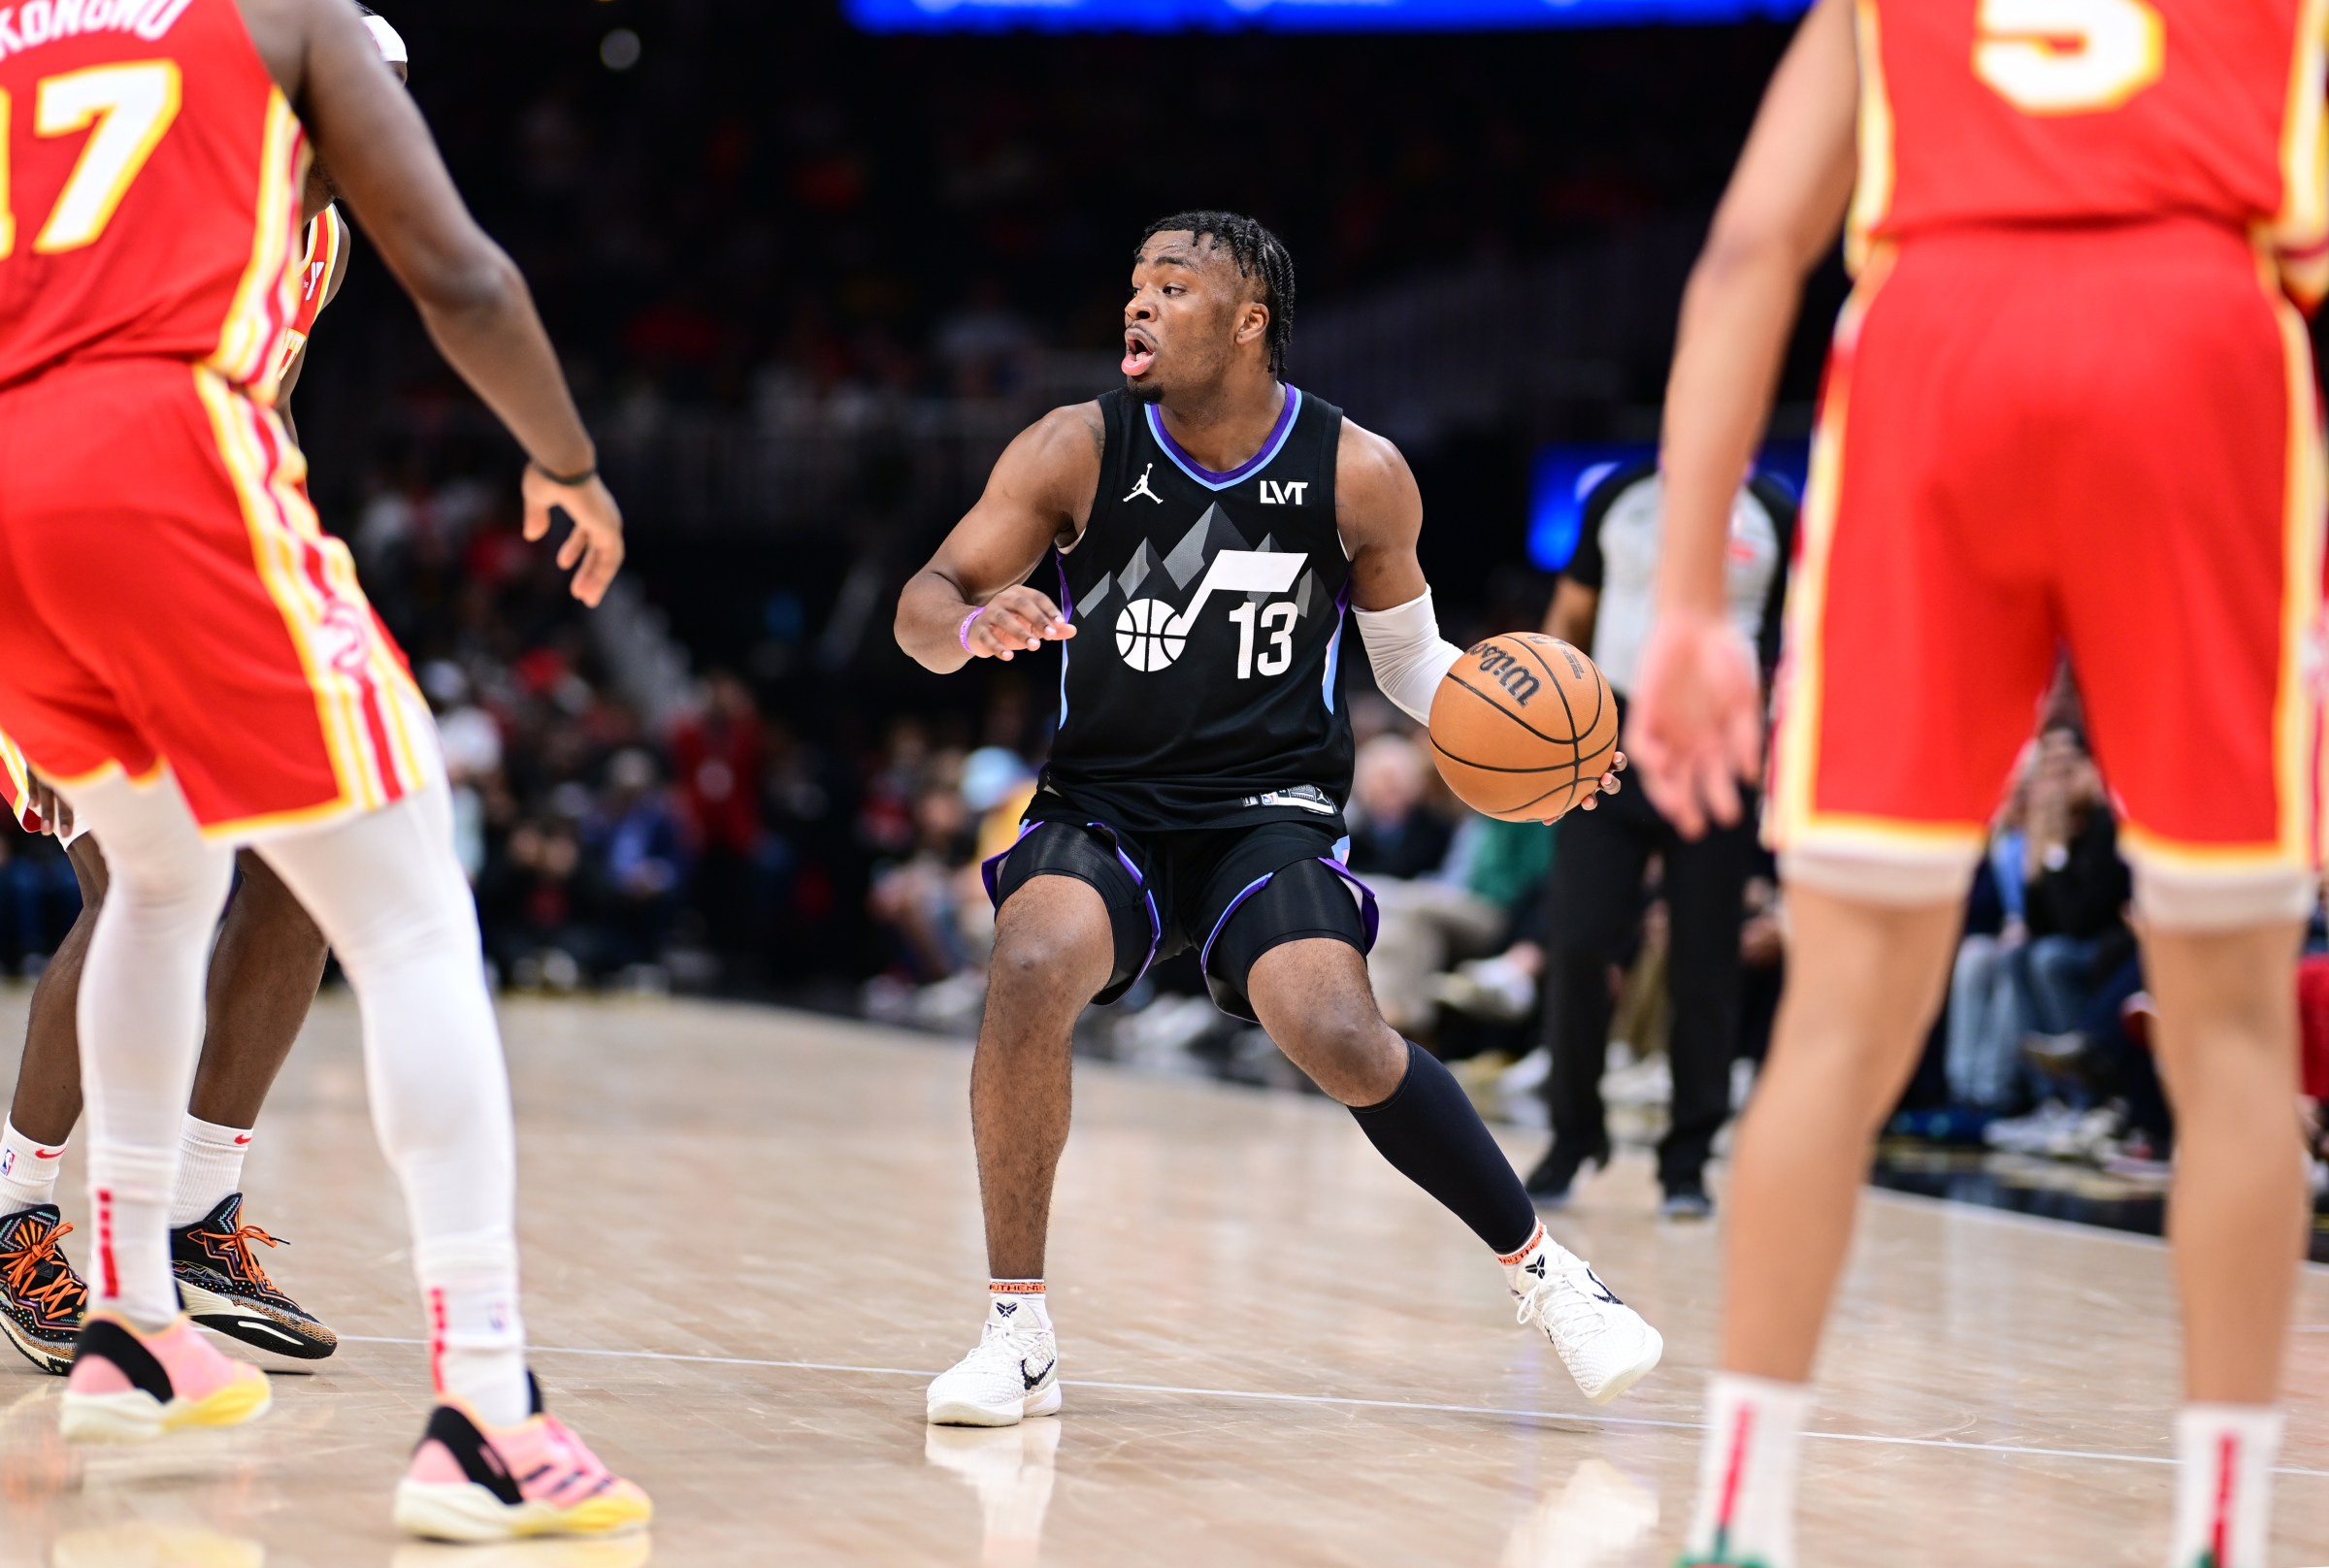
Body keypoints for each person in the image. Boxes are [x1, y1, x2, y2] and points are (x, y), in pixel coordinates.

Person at [1624, 3, 2325, 1563]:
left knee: (1844, 1004)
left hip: (1939, 344)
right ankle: (2223, 1532)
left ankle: (1741, 1517)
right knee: (2230, 1026)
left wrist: (1686, 605)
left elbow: (1747, 256)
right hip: (2200, 341)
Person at [0, 0, 646, 1540]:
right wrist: (568, 463)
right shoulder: (282, 20)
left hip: (17, 477)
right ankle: (489, 1411)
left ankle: (137, 1324)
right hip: (164, 452)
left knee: (166, 880)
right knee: (418, 913)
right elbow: (467, 274)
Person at [895, 212, 1659, 1429]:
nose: (1139, 305)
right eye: (1135, 283)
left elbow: (1411, 668)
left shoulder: (1358, 470)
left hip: (1271, 809)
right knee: (1031, 963)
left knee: (1338, 1028)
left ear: (1249, 321)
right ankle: (1017, 1329)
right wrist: (968, 626)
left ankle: (1548, 1273)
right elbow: (925, 599)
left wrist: (1550, 749)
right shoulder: (1073, 448)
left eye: (1174, 286)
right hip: (1108, 805)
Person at [0, 4, 412, 1382]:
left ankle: (193, 1206)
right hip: (48, 562)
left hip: (197, 561)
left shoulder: (326, 242)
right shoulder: (123, 200)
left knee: (310, 858)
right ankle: (11, 1208)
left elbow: (264, 408)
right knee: (133, 885)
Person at [1527, 458, 1792, 1218]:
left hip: (1719, 751)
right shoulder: (1619, 495)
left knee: (1705, 958)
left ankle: (1687, 1160)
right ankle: (1574, 1136)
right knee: (1577, 945)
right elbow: (1570, 617)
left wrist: (1769, 760)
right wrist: (1550, 723)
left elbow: (1785, 648)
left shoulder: (1773, 509)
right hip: (1609, 739)